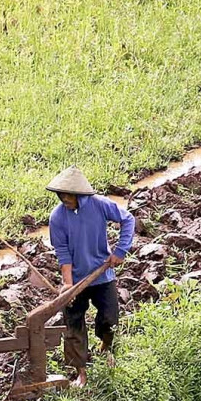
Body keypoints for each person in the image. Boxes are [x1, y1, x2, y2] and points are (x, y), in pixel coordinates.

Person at [46, 166, 135, 387]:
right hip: (76, 281)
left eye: (69, 194)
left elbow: (128, 219)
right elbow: (63, 252)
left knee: (109, 318)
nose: (64, 198)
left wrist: (120, 251)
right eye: (61, 194)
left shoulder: (99, 204)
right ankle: (81, 373)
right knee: (73, 325)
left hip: (102, 274)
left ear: (80, 195)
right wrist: (68, 284)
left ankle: (107, 348)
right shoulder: (57, 217)